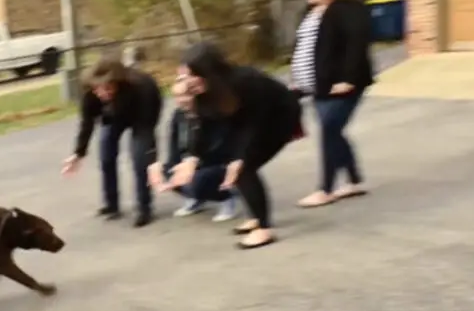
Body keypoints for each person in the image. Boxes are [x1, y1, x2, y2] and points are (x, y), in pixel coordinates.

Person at [167, 42, 301, 249]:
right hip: (244, 122)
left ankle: (264, 229)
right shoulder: (201, 90)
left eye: (192, 75)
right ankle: (257, 217)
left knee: (243, 168)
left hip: (278, 118)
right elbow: (202, 123)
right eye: (185, 76)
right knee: (236, 164)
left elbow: (254, 124)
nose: (188, 82)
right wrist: (192, 158)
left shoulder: (246, 81)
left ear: (209, 72)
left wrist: (241, 156)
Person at [291, 0, 375, 208]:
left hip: (344, 85)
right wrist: (298, 80)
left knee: (329, 128)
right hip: (317, 86)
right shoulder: (309, 11)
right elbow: (305, 48)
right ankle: (354, 181)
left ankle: (325, 188)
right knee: (334, 130)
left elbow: (356, 45)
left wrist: (347, 79)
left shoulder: (349, 9)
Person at [61, 56, 163, 228]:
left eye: (108, 88)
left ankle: (144, 208)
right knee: (106, 153)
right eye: (98, 89)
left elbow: (147, 128)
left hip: (141, 115)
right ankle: (111, 205)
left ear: (118, 83)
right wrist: (78, 153)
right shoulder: (91, 94)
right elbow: (87, 124)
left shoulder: (141, 87)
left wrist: (151, 157)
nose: (102, 93)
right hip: (113, 116)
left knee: (139, 159)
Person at [147, 79, 238, 222]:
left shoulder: (211, 115)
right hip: (191, 163)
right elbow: (174, 145)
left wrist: (194, 164)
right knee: (167, 172)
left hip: (217, 163)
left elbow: (219, 148)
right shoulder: (178, 116)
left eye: (185, 95)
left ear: (196, 95)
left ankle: (226, 197)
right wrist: (169, 168)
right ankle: (196, 198)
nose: (181, 100)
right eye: (176, 96)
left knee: (196, 180)